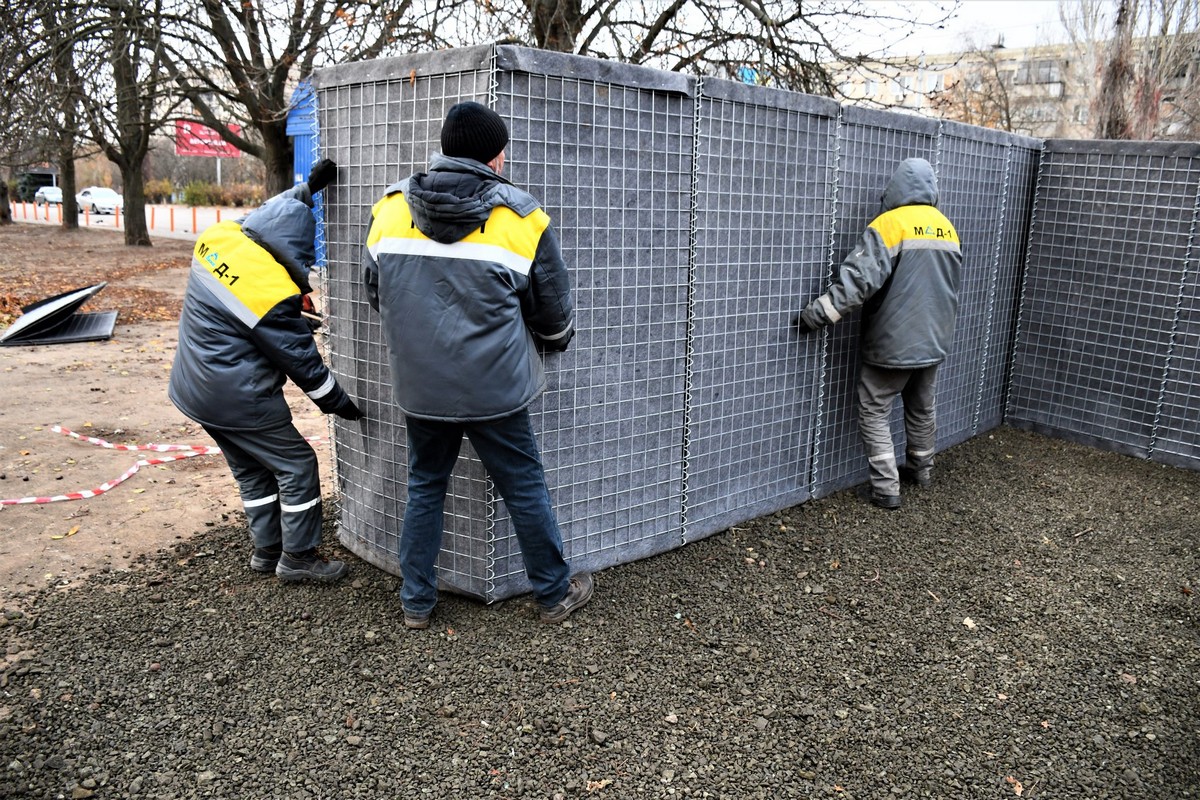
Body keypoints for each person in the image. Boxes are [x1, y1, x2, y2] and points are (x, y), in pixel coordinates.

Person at [362, 100, 593, 629]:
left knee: (425, 482)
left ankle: (417, 602)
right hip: (497, 387)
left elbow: (377, 292)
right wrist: (556, 341)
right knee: (523, 483)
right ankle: (554, 594)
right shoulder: (520, 217)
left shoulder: (391, 209)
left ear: (445, 149)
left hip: (420, 386)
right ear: (496, 157)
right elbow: (552, 309)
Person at [169, 159, 364, 582]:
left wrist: (307, 190)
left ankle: (267, 550)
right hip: (237, 395)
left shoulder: (218, 237)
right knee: (297, 466)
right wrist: (339, 402)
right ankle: (299, 558)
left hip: (192, 388)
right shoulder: (270, 289)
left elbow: (266, 216)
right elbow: (302, 360)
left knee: (252, 469)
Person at [796, 157, 962, 511]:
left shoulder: (890, 224)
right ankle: (922, 470)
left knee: (874, 407)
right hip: (935, 339)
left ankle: (886, 488)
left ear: (895, 188)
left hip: (894, 342)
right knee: (921, 407)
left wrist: (817, 314)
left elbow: (859, 282)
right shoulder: (946, 227)